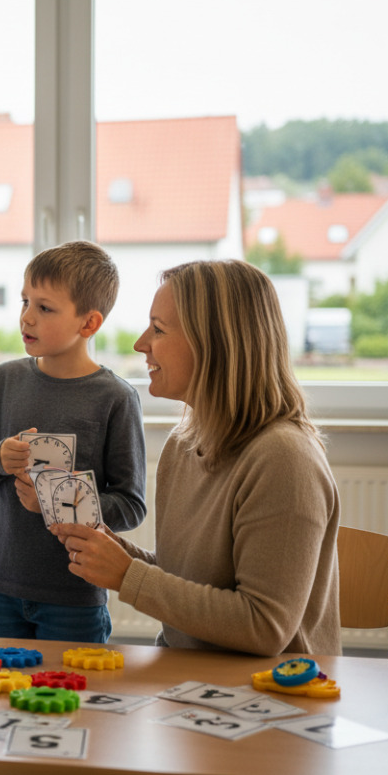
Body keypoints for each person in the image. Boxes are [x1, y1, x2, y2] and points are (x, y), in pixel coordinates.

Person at [52, 259, 341, 656]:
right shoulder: (183, 444)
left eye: (159, 329)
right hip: (192, 678)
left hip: (270, 695)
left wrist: (128, 576)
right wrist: (117, 554)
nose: (141, 344)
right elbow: (192, 579)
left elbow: (264, 626)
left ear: (216, 342)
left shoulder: (285, 460)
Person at [0, 241, 146, 642]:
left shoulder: (115, 398)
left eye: (44, 308)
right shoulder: (3, 381)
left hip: (74, 594)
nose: (26, 317)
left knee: (71, 701)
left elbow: (130, 506)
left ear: (89, 324)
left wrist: (57, 501)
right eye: (25, 301)